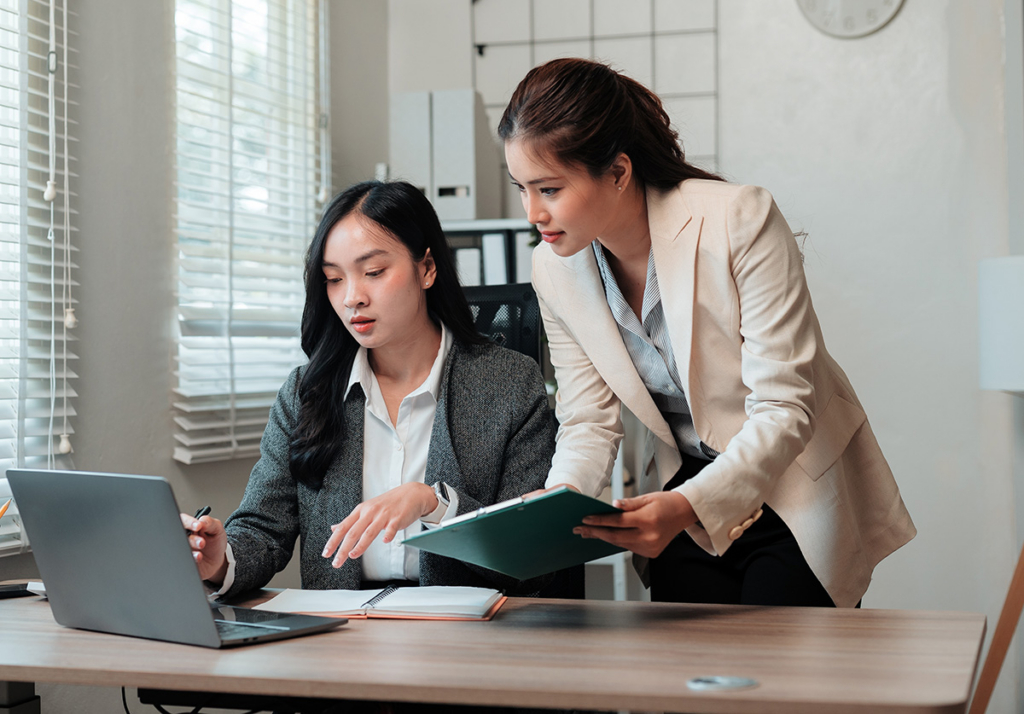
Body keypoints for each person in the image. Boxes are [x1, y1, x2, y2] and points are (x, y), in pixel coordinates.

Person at [500, 58, 916, 608]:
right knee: (685, 681)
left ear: (619, 172)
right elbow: (587, 420)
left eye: (549, 188)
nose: (533, 212)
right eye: (521, 189)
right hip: (684, 482)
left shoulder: (740, 218)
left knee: (783, 684)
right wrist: (560, 502)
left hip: (791, 479)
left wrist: (689, 506)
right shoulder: (554, 268)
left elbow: (785, 406)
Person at [183, 180, 557, 598]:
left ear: (427, 269)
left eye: (374, 272)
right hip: (344, 637)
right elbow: (262, 529)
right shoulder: (306, 392)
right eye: (333, 279)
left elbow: (529, 560)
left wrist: (434, 504)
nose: (351, 298)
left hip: (467, 637)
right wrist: (220, 560)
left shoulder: (510, 385)